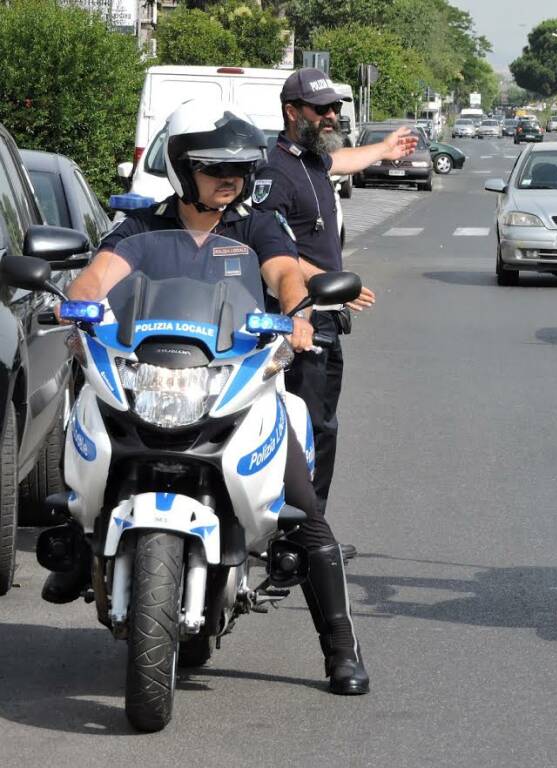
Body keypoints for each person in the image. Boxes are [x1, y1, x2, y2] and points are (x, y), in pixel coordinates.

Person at [42, 100, 370, 695]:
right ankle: (75, 547)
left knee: (305, 513)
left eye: (241, 170)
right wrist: (77, 303)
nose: (232, 180)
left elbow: (285, 275)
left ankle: (341, 650)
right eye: (216, 168)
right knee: (82, 438)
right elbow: (98, 276)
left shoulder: (257, 226)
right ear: (180, 168)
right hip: (151, 378)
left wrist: (297, 313)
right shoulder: (143, 228)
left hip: (233, 384)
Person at [252, 68, 417, 559]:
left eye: (335, 109)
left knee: (319, 424)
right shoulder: (273, 173)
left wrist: (384, 151)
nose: (331, 116)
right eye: (320, 110)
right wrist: (324, 283)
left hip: (322, 312)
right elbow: (269, 246)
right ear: (291, 112)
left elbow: (339, 159)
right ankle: (302, 537)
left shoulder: (312, 160)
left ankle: (301, 528)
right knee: (309, 426)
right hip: (296, 315)